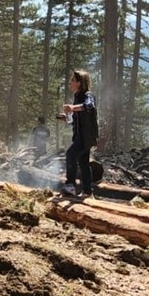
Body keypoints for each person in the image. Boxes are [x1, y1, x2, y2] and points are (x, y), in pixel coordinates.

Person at [60, 69, 98, 199]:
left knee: (71, 154)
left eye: (72, 80)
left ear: (79, 83)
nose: (70, 83)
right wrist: (67, 117)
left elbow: (89, 106)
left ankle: (70, 185)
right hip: (79, 135)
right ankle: (88, 191)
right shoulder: (77, 97)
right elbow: (77, 119)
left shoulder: (88, 95)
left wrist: (73, 108)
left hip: (86, 137)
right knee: (83, 162)